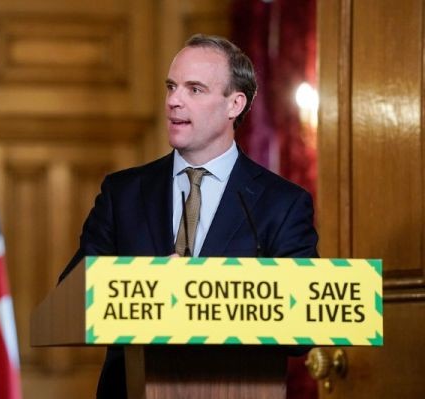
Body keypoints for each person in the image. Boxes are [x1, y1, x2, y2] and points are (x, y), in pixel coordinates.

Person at [59, 34, 319, 399]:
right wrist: (149, 288)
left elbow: (304, 328)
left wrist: (201, 296)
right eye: (171, 87)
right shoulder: (123, 193)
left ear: (234, 104)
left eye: (194, 89)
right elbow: (72, 299)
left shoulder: (282, 204)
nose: (173, 101)